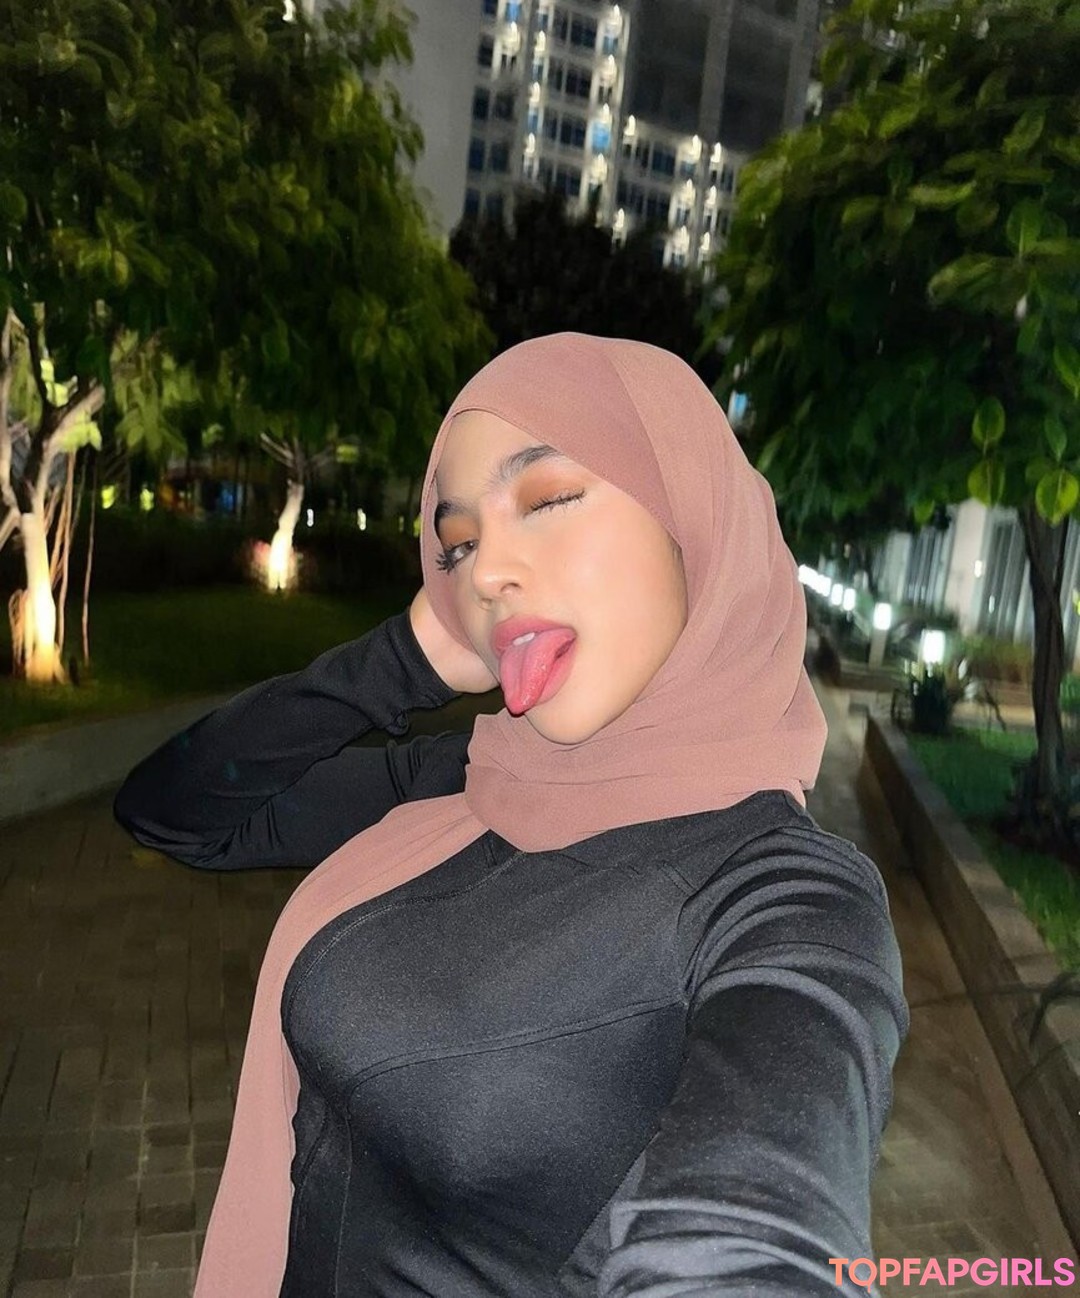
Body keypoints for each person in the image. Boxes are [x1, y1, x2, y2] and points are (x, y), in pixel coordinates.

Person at [114, 333, 908, 1297]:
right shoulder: (475, 779)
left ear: (694, 522)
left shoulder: (783, 899)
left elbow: (759, 1234)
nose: (485, 573)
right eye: (457, 544)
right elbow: (177, 812)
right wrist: (404, 659)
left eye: (549, 498)